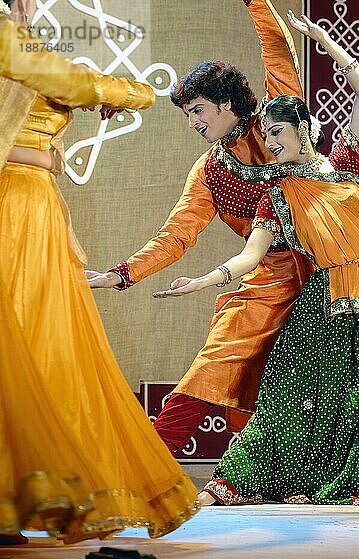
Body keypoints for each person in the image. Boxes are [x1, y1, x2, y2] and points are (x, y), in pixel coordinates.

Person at [153, 12, 359, 506]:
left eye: (279, 134)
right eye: (268, 137)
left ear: (304, 130)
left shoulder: (346, 161)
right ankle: (234, 482)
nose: (271, 145)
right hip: (321, 299)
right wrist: (202, 281)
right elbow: (248, 255)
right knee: (283, 394)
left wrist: (324, 41)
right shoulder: (274, 193)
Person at [0, 0, 198, 545]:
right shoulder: (7, 40)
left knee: (40, 348)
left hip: (33, 207)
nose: (34, 5)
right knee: (21, 342)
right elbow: (69, 80)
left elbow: (56, 85)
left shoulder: (20, 46)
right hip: (14, 209)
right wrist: (135, 93)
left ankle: (24, 493)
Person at [86, 0, 314, 453]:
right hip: (271, 276)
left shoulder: (274, 127)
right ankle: (152, 461)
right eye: (187, 113)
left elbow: (277, 51)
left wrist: (255, 3)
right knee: (222, 357)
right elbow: (177, 234)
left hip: (329, 274)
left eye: (199, 111)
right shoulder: (209, 170)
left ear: (227, 105)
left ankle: (299, 473)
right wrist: (121, 274)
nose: (192, 123)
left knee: (331, 381)